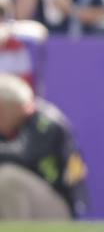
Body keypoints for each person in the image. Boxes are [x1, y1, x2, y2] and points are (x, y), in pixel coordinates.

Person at [0, 73, 86, 221]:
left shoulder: (45, 122)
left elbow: (23, 156)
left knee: (8, 178)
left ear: (14, 107)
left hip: (58, 207)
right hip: (31, 201)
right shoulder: (11, 126)